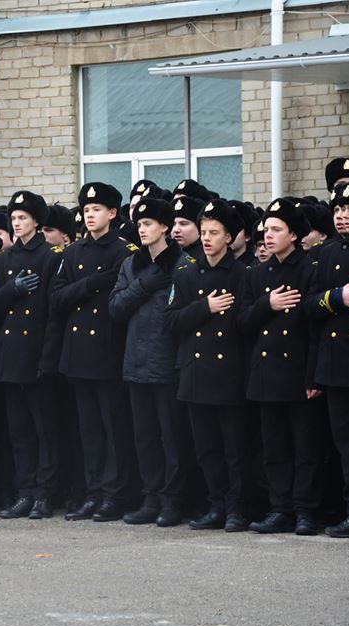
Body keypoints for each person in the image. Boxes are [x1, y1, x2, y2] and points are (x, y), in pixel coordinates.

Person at [51, 183, 138, 522]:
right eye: (86, 210)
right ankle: (93, 492)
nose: (89, 215)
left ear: (113, 213)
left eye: (97, 209)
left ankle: (115, 494)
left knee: (112, 427)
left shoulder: (123, 251)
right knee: (88, 430)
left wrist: (85, 288)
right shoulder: (72, 253)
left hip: (107, 350)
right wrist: (88, 285)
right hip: (78, 352)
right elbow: (57, 298)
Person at [238, 199, 324, 535]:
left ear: (294, 234)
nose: (268, 236)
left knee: (305, 448)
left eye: (276, 230)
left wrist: (314, 374)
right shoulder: (257, 274)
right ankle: (280, 507)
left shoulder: (311, 270)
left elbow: (316, 330)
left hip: (300, 371)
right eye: (266, 230)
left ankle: (305, 510)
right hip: (266, 372)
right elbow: (242, 322)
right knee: (273, 447)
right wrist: (267, 304)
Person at [166, 200, 252, 532]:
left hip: (229, 374)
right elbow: (170, 320)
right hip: (195, 373)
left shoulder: (244, 274)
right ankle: (216, 504)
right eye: (203, 232)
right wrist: (205, 307)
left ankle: (236, 508)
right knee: (206, 449)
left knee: (234, 449)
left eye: (214, 233)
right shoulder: (186, 273)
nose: (206, 239)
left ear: (229, 237)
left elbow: (246, 325)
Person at [109, 198, 192, 527]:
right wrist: (143, 285)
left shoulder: (183, 264)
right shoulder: (131, 265)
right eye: (139, 224)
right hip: (136, 363)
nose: (141, 229)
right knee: (144, 436)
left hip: (168, 363)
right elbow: (114, 307)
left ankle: (173, 500)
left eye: (148, 224)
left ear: (165, 228)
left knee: (171, 437)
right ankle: (151, 496)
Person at [0, 191, 63, 519]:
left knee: (45, 430)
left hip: (36, 354)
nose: (17, 223)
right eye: (13, 218)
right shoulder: (3, 260)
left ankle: (45, 494)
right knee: (19, 432)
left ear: (36, 221)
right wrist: (12, 289)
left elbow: (52, 312)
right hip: (10, 356)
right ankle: (25, 491)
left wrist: (47, 360)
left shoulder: (50, 256)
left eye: (23, 218)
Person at [305, 180, 349, 538]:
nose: (343, 216)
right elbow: (310, 303)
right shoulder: (329, 252)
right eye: (338, 210)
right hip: (337, 364)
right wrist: (337, 297)